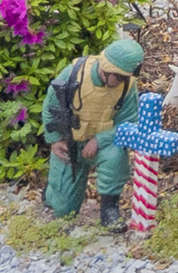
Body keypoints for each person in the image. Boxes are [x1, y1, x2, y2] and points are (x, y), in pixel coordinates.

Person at [41, 36, 144, 227]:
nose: (123, 81)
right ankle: (55, 191)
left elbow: (129, 122)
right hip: (70, 140)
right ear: (106, 70)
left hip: (102, 144)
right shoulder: (74, 73)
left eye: (126, 77)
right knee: (64, 210)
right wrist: (55, 140)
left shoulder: (127, 86)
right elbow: (50, 107)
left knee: (116, 155)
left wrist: (100, 140)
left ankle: (109, 208)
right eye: (119, 77)